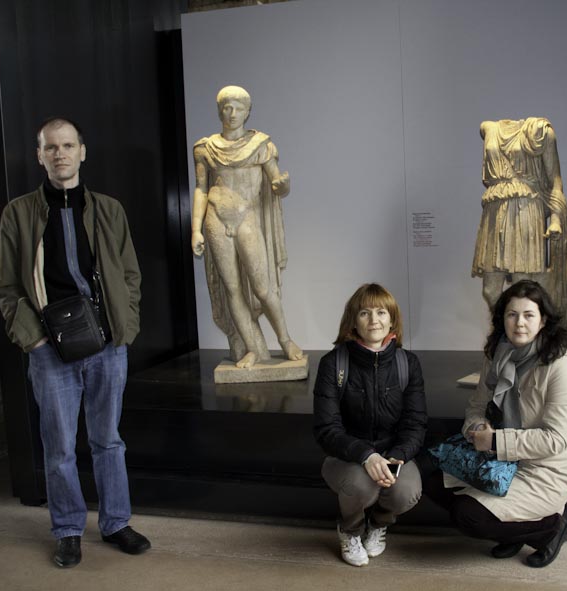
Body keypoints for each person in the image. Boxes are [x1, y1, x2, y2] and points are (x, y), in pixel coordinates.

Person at [0, 117, 150, 568]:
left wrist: (124, 327)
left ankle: (116, 523)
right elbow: (7, 288)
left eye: (67, 145)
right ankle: (67, 530)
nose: (59, 154)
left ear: (82, 151)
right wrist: (34, 340)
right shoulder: (18, 213)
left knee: (108, 440)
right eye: (51, 147)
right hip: (51, 348)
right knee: (59, 446)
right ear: (39, 156)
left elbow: (130, 275)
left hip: (107, 344)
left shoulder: (109, 210)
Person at [423, 280, 567, 568]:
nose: (519, 323)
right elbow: (477, 406)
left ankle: (549, 531)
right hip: (498, 459)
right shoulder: (498, 354)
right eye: (512, 314)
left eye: (528, 315)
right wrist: (477, 429)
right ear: (502, 319)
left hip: (542, 469)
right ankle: (512, 529)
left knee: (468, 516)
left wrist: (496, 441)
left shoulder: (562, 366)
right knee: (434, 482)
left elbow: (555, 440)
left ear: (543, 320)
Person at [313, 284, 428, 566]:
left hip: (392, 451)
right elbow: (327, 429)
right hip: (346, 456)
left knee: (406, 491)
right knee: (362, 486)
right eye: (365, 313)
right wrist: (366, 456)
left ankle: (378, 524)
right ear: (353, 321)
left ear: (392, 319)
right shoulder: (333, 363)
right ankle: (350, 531)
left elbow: (415, 423)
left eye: (381, 312)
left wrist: (398, 456)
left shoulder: (407, 363)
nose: (374, 320)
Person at [191, 85, 303, 369]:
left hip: (247, 217)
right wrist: (195, 229)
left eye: (238, 108)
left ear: (248, 112)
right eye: (227, 108)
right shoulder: (205, 148)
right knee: (232, 289)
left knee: (263, 288)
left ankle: (286, 340)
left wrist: (283, 185)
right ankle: (252, 348)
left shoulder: (260, 145)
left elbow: (277, 184)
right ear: (219, 111)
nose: (232, 114)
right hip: (216, 218)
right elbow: (201, 189)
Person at [471, 118, 567, 326]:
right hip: (495, 213)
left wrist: (555, 220)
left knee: (522, 289)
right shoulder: (488, 128)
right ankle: (504, 332)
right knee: (490, 291)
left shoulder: (541, 132)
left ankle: (525, 336)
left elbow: (555, 182)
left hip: (526, 212)